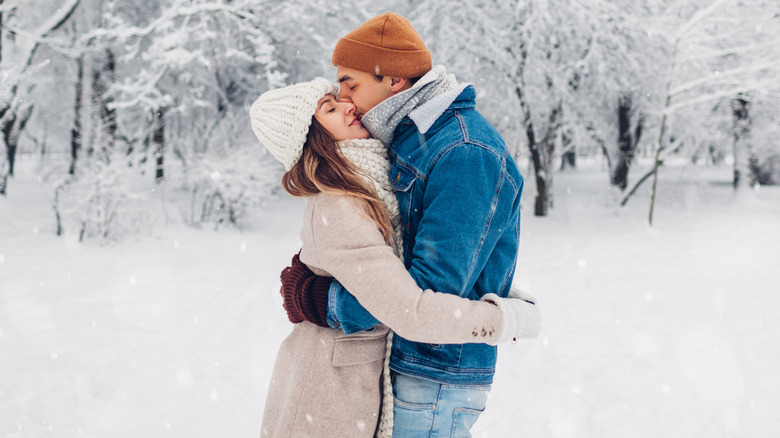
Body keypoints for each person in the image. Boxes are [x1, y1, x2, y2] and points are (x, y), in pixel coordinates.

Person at [278, 12, 528, 437]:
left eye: (349, 83)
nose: (345, 98)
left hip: (434, 377)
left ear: (394, 80)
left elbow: (429, 295)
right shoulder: (416, 137)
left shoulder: (463, 151)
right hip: (408, 368)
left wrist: (326, 303)